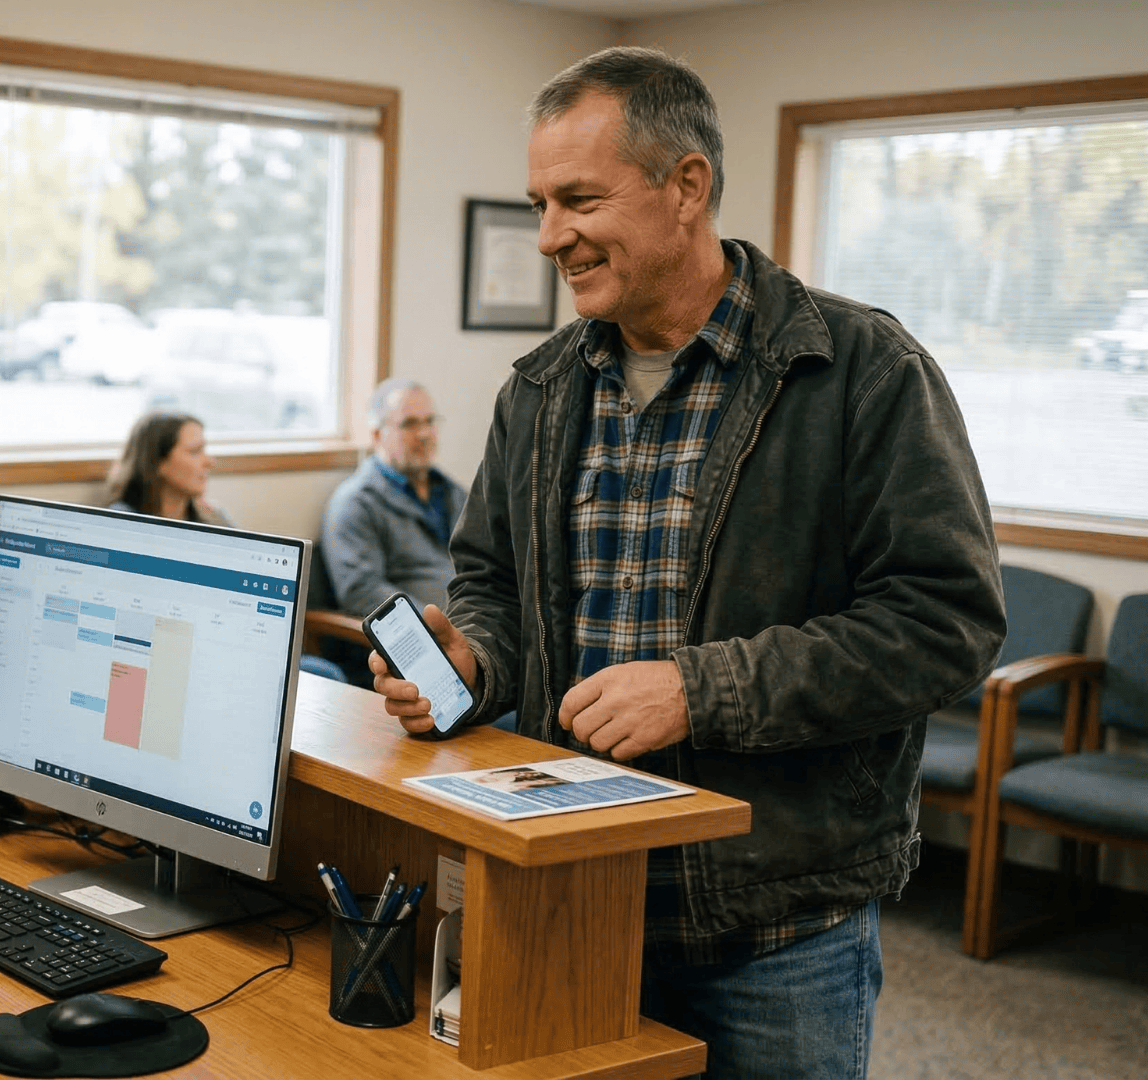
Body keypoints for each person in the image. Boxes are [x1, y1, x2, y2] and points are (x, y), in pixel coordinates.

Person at [371, 48, 1004, 1078]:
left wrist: (700, 691)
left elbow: (947, 626)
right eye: (540, 203)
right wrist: (475, 662)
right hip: (568, 896)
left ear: (688, 186)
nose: (548, 237)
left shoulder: (862, 372)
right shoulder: (537, 390)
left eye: (578, 198)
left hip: (773, 925)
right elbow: (492, 585)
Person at [319, 377, 468, 617]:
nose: (424, 433)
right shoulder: (355, 504)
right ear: (377, 435)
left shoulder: (454, 493)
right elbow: (361, 592)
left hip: (481, 629)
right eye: (409, 424)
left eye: (430, 421)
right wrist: (436, 627)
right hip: (421, 641)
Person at [103, 410, 231, 524]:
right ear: (157, 462)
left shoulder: (213, 515)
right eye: (194, 451)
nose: (210, 462)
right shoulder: (121, 522)